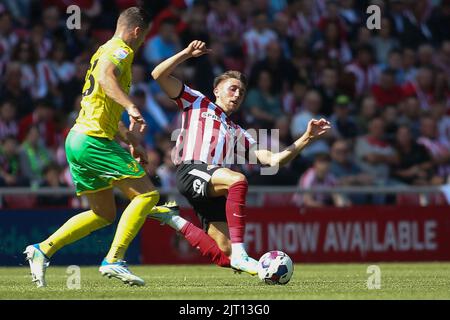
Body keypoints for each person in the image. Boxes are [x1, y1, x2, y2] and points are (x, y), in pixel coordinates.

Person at [24, 7, 174, 288]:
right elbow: (106, 79)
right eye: (144, 37)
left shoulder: (102, 50)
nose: (142, 43)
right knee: (147, 195)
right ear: (137, 32)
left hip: (78, 139)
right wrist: (131, 106)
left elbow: (102, 106)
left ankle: (43, 249)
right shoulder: (121, 51)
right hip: (93, 140)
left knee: (103, 213)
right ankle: (114, 260)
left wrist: (130, 140)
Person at [151, 40, 331, 275]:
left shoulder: (237, 132)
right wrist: (186, 53)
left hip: (212, 184)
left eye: (242, 92)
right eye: (232, 88)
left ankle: (173, 219)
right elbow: (158, 75)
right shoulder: (197, 101)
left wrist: (306, 138)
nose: (237, 94)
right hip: (192, 170)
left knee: (225, 256)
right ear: (217, 90)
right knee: (238, 180)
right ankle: (242, 252)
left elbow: (273, 161)